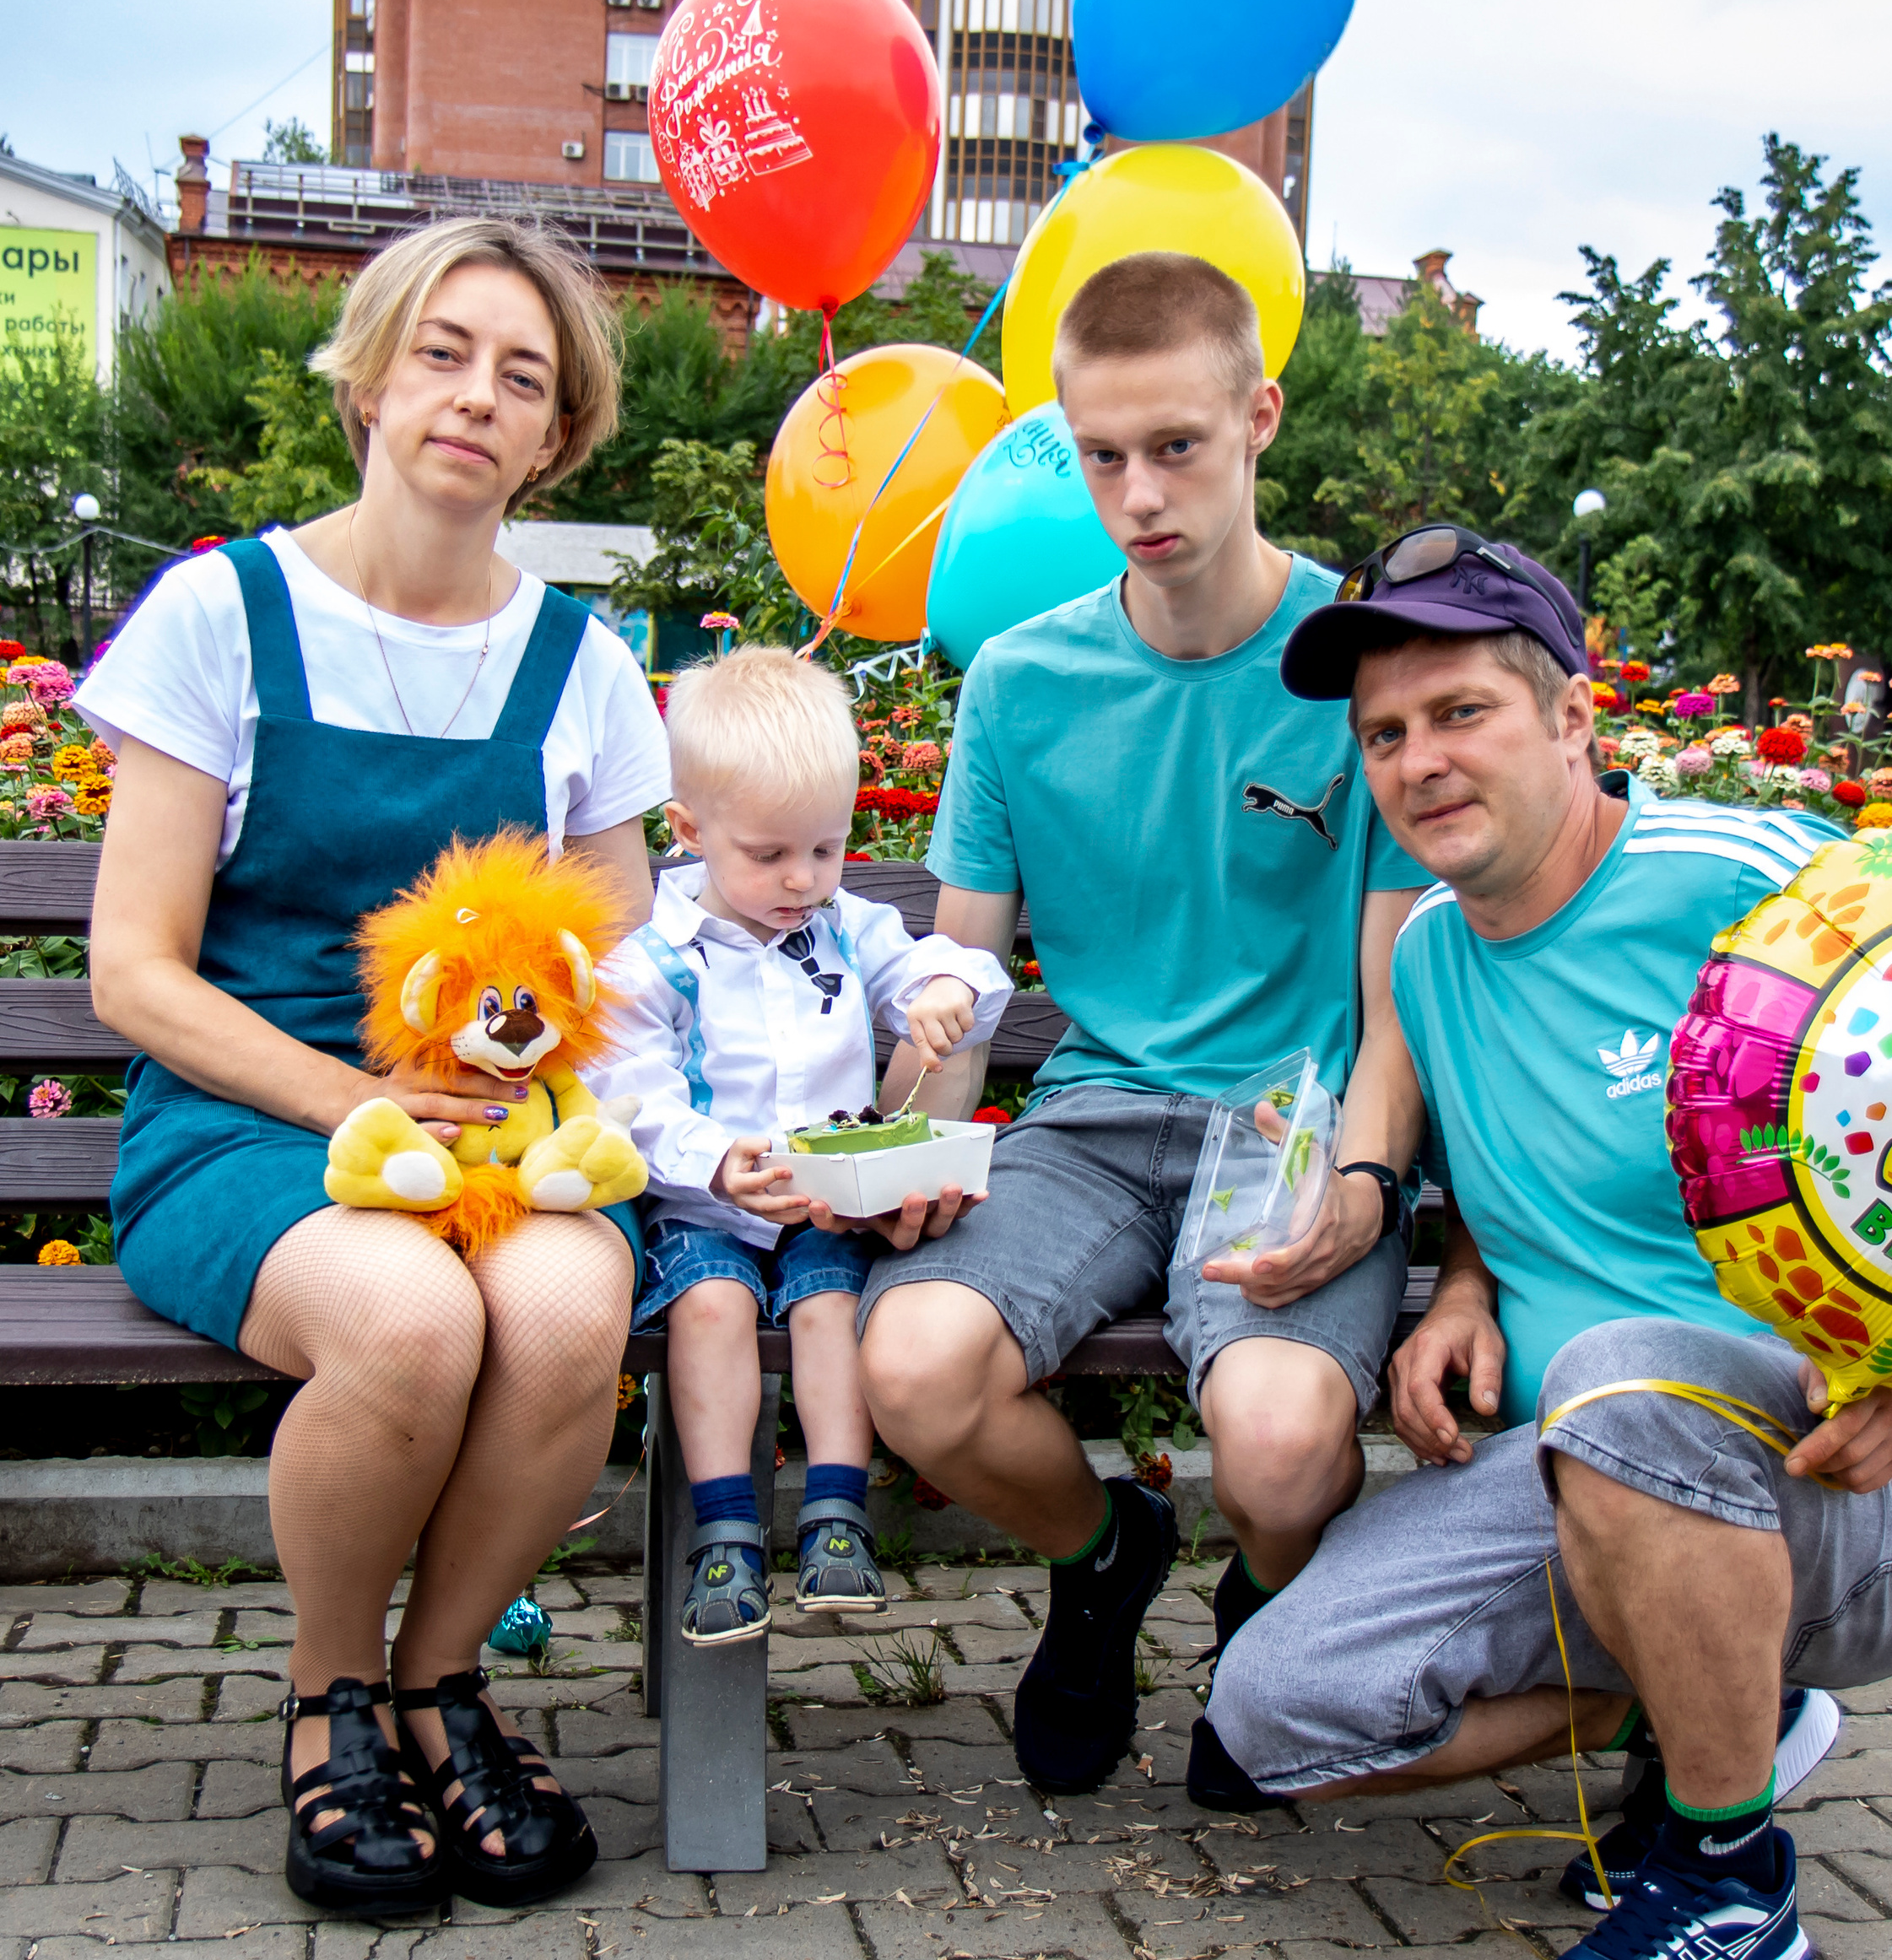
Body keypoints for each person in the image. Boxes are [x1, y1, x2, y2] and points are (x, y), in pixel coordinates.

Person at [1207, 531, 1892, 1960]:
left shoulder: (1754, 880)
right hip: (1595, 1470)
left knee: (1624, 1370)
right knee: (1267, 1713)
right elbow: (1516, 1166)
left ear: (1576, 718)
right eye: (1385, 734)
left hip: (1874, 1470)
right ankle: (1721, 1704)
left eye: (1462, 713)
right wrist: (1462, 1280)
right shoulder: (1429, 960)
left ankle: (1727, 1881)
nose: (1419, 761)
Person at [78, 219, 671, 1916]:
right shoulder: (223, 612)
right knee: (409, 1317)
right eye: (443, 349)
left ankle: (441, 1676)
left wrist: (525, 1092)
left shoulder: (583, 666)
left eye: (523, 376)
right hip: (249, 1124)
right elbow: (133, 970)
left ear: (555, 435)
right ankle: (329, 1697)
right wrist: (353, 1101)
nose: (475, 396)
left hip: (488, 1132)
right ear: (371, 369)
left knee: (562, 1316)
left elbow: (613, 960)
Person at [853, 251, 1431, 1798]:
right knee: (909, 1366)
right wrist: (912, 1141)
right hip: (1093, 1124)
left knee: (1286, 1438)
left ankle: (1267, 1613)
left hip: (1291, 1127)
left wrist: (1364, 1186)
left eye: (1176, 445)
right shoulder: (1023, 681)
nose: (1138, 492)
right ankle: (1109, 1559)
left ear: (1259, 418)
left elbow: (1394, 1007)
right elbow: (961, 989)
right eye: (1102, 453)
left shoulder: (1357, 664)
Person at [585, 646, 1011, 1646]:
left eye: (825, 850)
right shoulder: (654, 953)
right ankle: (725, 1529)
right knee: (714, 1307)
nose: (801, 879)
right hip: (706, 1210)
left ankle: (833, 1515)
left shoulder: (845, 928)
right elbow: (627, 1092)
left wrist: (943, 995)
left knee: (829, 1306)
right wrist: (714, 1159)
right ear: (687, 832)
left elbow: (943, 967)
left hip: (827, 1201)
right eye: (770, 854)